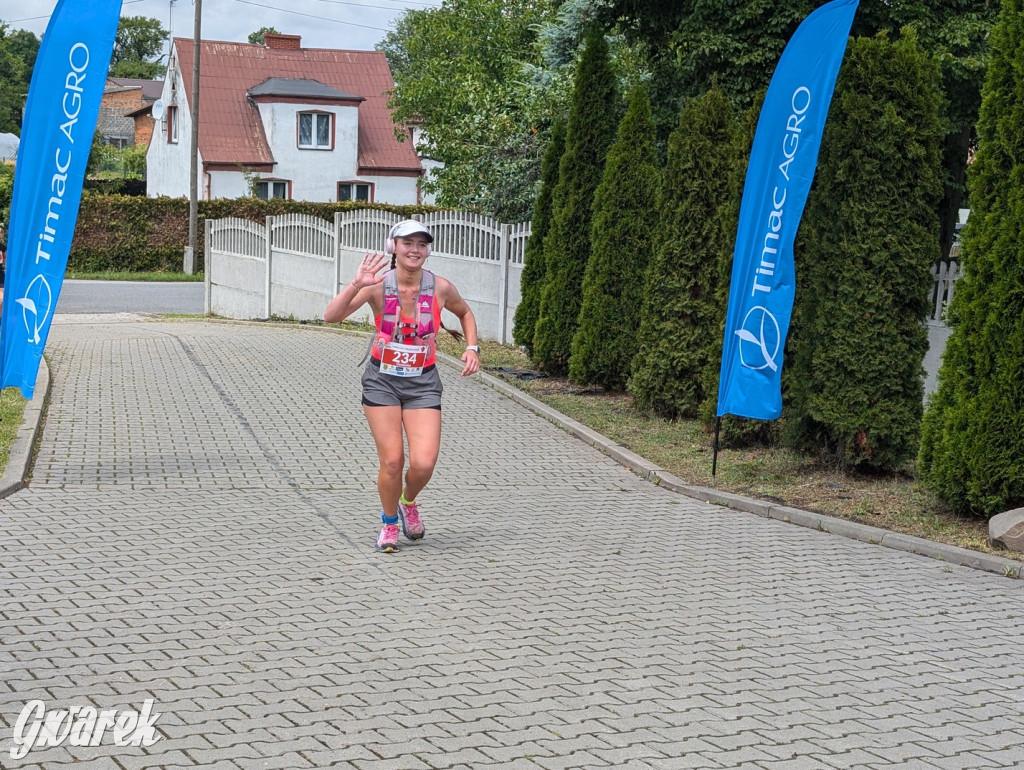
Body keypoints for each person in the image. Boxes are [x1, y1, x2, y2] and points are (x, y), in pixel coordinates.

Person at [324, 220, 480, 552]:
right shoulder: (377, 285)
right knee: (393, 460)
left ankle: (408, 501)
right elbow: (331, 317)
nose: (415, 250)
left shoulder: (440, 287)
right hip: (382, 382)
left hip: (423, 383)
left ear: (428, 250)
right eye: (407, 242)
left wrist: (472, 347)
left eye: (422, 244)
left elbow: (464, 312)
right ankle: (390, 522)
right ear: (393, 246)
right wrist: (355, 285)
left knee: (424, 463)